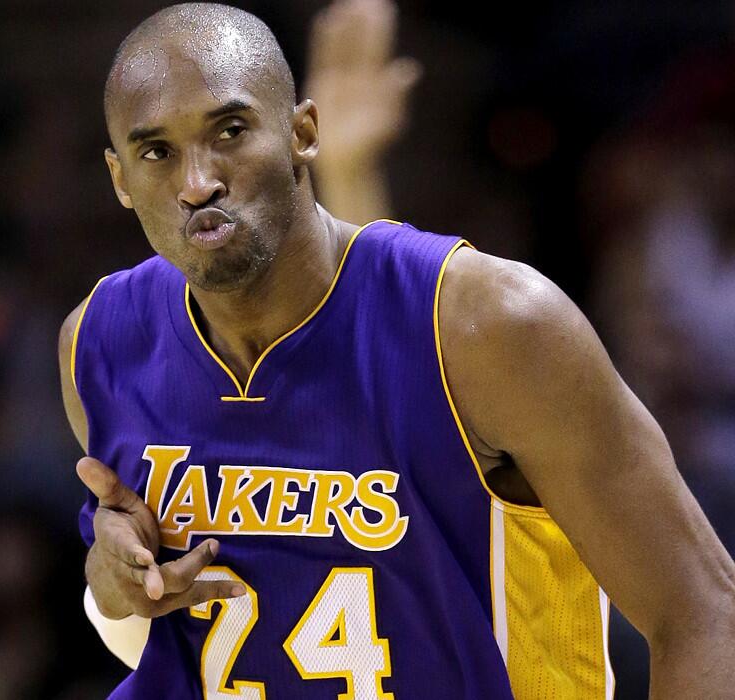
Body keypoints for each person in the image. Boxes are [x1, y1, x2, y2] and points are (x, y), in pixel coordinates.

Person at [57, 3, 735, 698]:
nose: (197, 181)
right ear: (119, 179)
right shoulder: (98, 343)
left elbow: (703, 613)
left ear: (302, 133)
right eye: (156, 152)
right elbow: (150, 635)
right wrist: (112, 587)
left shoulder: (493, 325)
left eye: (230, 131)